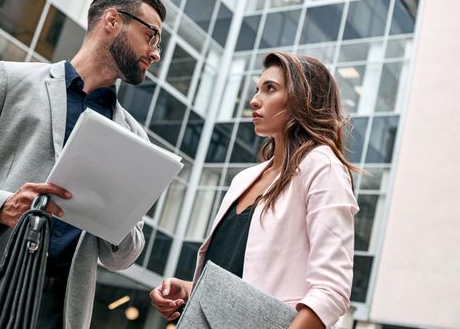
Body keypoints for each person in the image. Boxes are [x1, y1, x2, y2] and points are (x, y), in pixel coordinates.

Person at [0, 0, 166, 328]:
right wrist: (1, 206)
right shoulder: (11, 80)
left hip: (56, 311)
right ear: (112, 21)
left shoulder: (135, 138)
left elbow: (125, 255)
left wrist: (115, 218)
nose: (156, 53)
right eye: (151, 36)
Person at [150, 51, 360, 328]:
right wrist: (191, 290)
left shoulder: (323, 167)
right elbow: (241, 274)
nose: (253, 100)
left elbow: (331, 290)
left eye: (270, 89)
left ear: (302, 98)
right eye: (257, 89)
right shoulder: (245, 178)